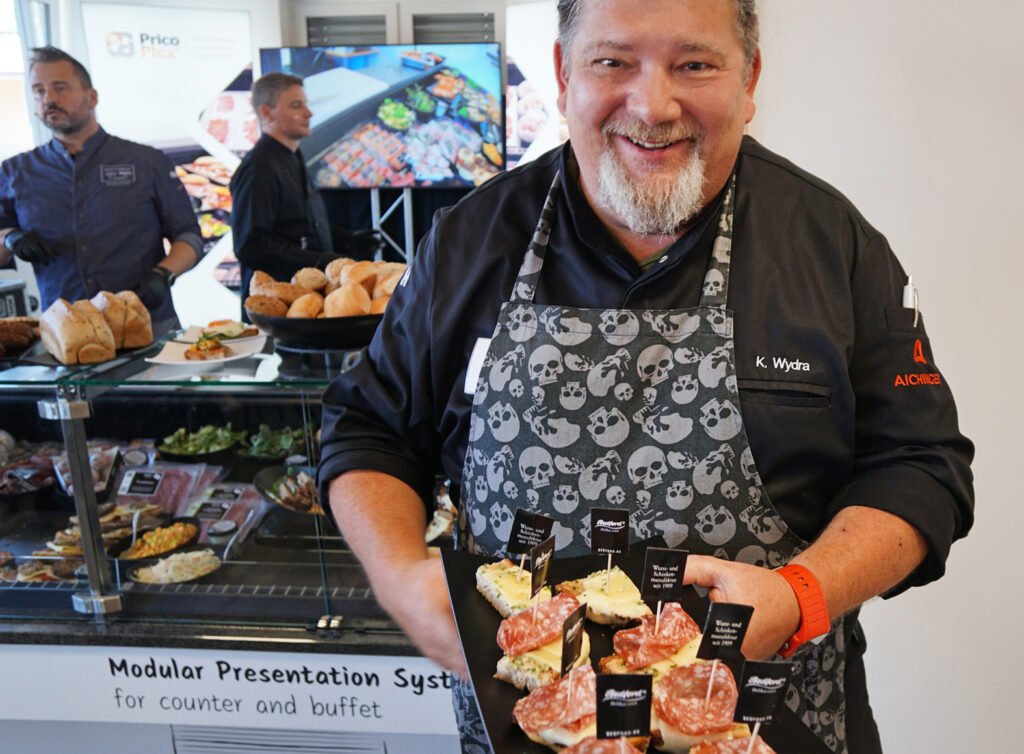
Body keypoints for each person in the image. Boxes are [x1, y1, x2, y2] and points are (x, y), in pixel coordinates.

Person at [318, 1, 974, 752]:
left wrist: (802, 594)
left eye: (695, 64)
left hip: (771, 717)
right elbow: (370, 429)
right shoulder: (470, 241)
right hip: (532, 722)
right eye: (613, 62)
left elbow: (921, 467)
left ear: (749, 77)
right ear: (564, 74)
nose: (653, 106)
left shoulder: (833, 244)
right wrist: (401, 574)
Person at [0, 46, 202, 326]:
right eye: (39, 91)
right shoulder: (14, 172)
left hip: (146, 327)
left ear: (91, 97)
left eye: (60, 88)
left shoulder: (146, 161)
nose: (49, 99)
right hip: (66, 335)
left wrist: (163, 273)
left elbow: (189, 237)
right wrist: (9, 237)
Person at [229, 72, 380, 308]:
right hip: (276, 306)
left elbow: (299, 224)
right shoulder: (259, 167)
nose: (308, 114)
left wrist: (347, 240)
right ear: (266, 113)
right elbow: (251, 246)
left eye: (306, 105)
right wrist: (320, 261)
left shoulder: (291, 156)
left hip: (305, 300)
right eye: (296, 106)